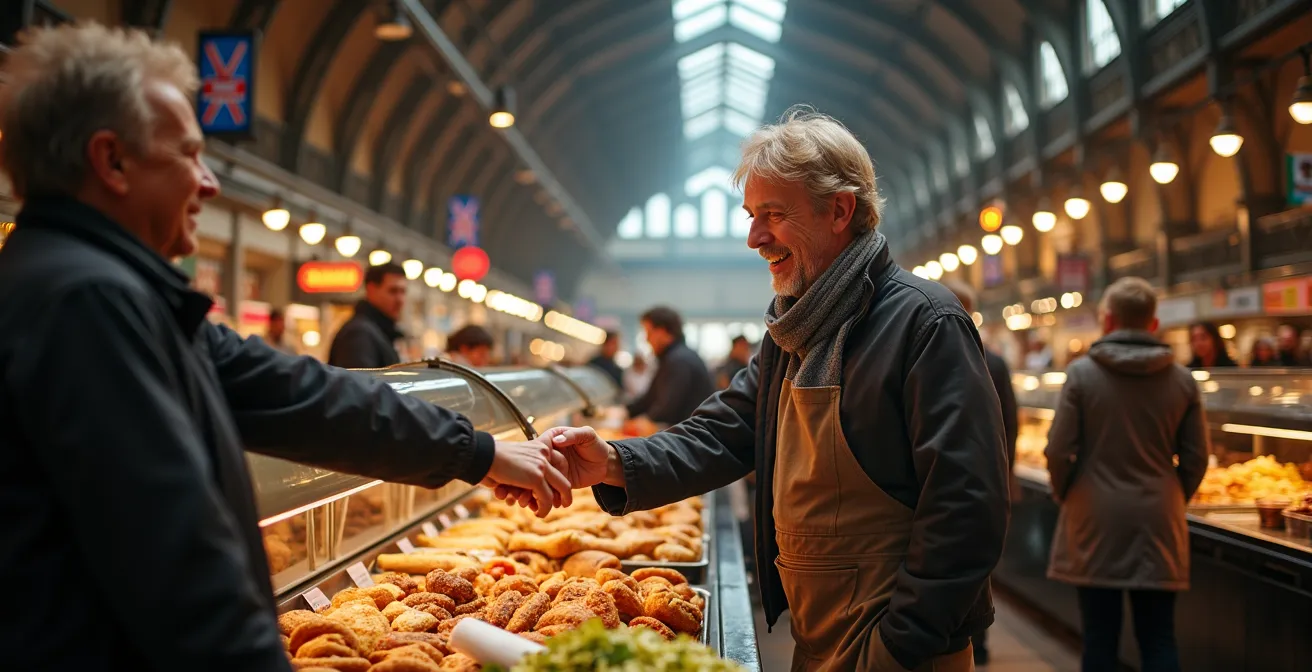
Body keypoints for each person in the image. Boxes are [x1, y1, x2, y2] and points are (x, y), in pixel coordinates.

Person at [0, 24, 570, 670]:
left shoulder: (115, 292)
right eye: (189, 153)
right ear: (112, 161)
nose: (211, 183)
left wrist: (482, 450)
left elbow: (304, 396)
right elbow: (178, 561)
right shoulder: (85, 304)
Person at [537, 107, 1009, 671]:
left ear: (839, 210)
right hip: (818, 635)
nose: (754, 237)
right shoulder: (796, 329)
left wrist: (904, 640)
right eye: (750, 215)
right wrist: (611, 461)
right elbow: (725, 431)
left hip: (899, 647)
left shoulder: (925, 323)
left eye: (773, 215)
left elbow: (967, 504)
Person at [1044, 277, 1209, 672]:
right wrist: (1170, 495)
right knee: (1158, 638)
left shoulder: (1082, 375)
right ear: (1153, 324)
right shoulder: (1182, 380)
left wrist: (1068, 492)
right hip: (1158, 520)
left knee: (1100, 639)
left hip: (1094, 517)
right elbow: (1196, 457)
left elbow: (1058, 449)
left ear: (1107, 320)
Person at [943, 281, 1018, 666]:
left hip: (947, 480)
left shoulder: (929, 349)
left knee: (960, 565)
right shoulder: (995, 360)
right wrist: (1005, 473)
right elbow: (1010, 423)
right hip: (984, 478)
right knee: (979, 566)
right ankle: (980, 643)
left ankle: (972, 639)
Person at [623, 306, 715, 431]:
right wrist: (626, 411)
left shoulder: (679, 360)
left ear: (662, 332)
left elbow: (668, 408)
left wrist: (644, 421)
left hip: (694, 439)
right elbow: (650, 397)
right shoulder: (671, 358)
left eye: (648, 333)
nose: (646, 339)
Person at [328, 262, 407, 368]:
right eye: (393, 291)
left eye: (403, 292)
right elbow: (358, 383)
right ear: (371, 289)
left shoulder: (376, 331)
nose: (400, 300)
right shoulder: (358, 334)